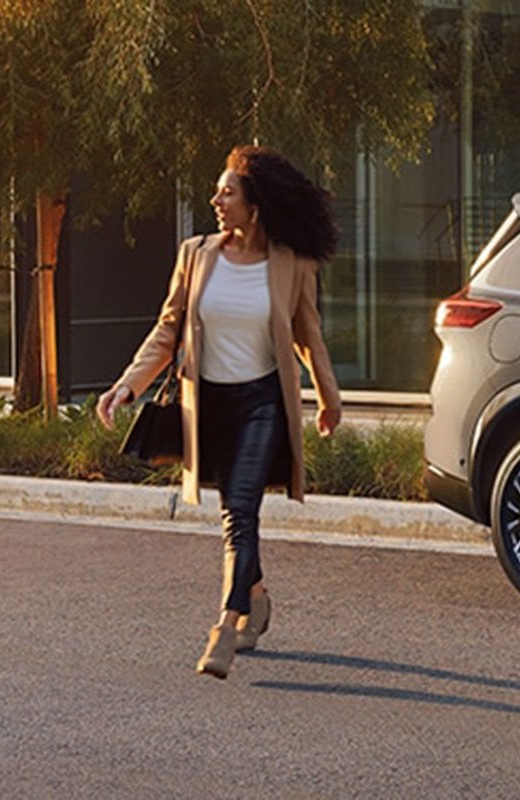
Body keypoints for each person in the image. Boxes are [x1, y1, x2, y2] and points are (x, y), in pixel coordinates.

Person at [98, 145, 342, 679]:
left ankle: (225, 627)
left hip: (261, 404)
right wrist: (127, 385)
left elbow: (308, 336)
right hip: (208, 404)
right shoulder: (196, 254)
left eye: (227, 192)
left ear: (254, 206)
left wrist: (329, 399)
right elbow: (168, 330)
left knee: (241, 515)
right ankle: (256, 595)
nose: (216, 199)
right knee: (234, 514)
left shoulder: (290, 264)